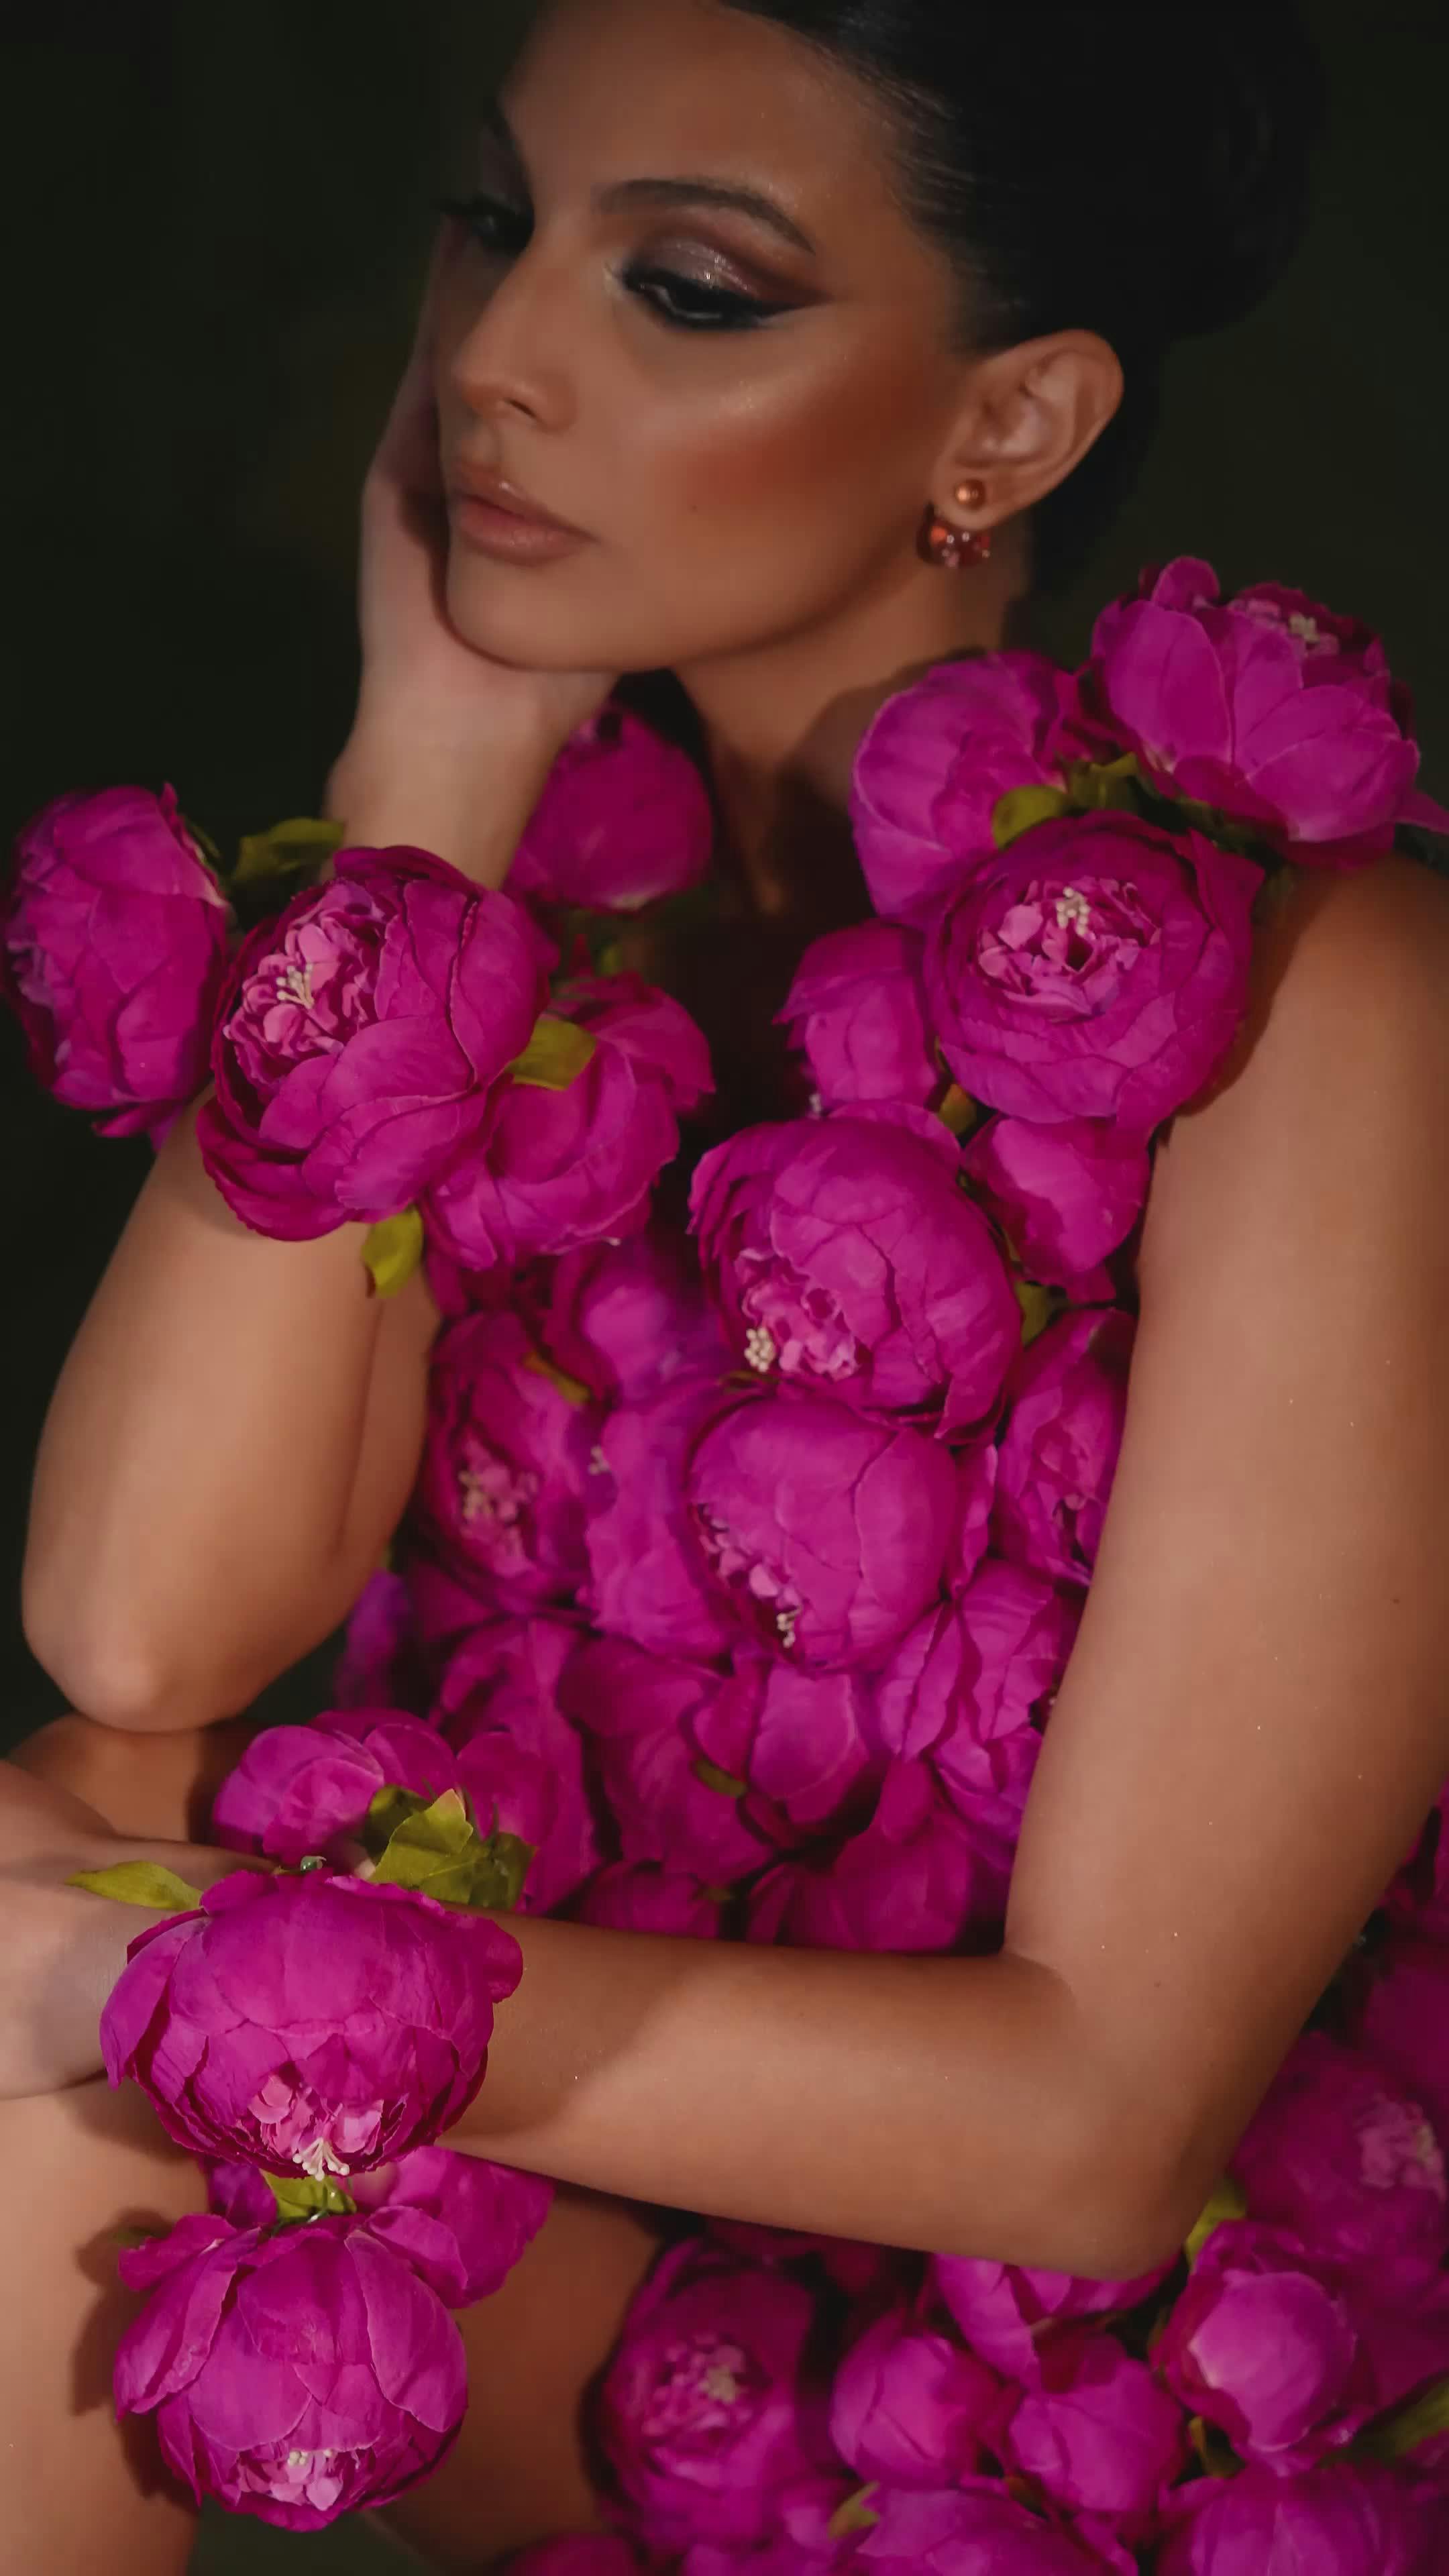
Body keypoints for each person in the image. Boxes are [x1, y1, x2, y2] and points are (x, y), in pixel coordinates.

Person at [4, 0, 1448, 2567]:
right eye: (494, 223)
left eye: (683, 287)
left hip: (1084, 2434)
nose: (497, 357)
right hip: (634, 2318)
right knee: (71, 1847)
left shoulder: (1324, 1012)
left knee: (69, 1989)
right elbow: (138, 1634)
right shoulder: (571, 926)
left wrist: (164, 1981)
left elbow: (1100, 2135)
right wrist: (433, 766)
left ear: (1009, 426)